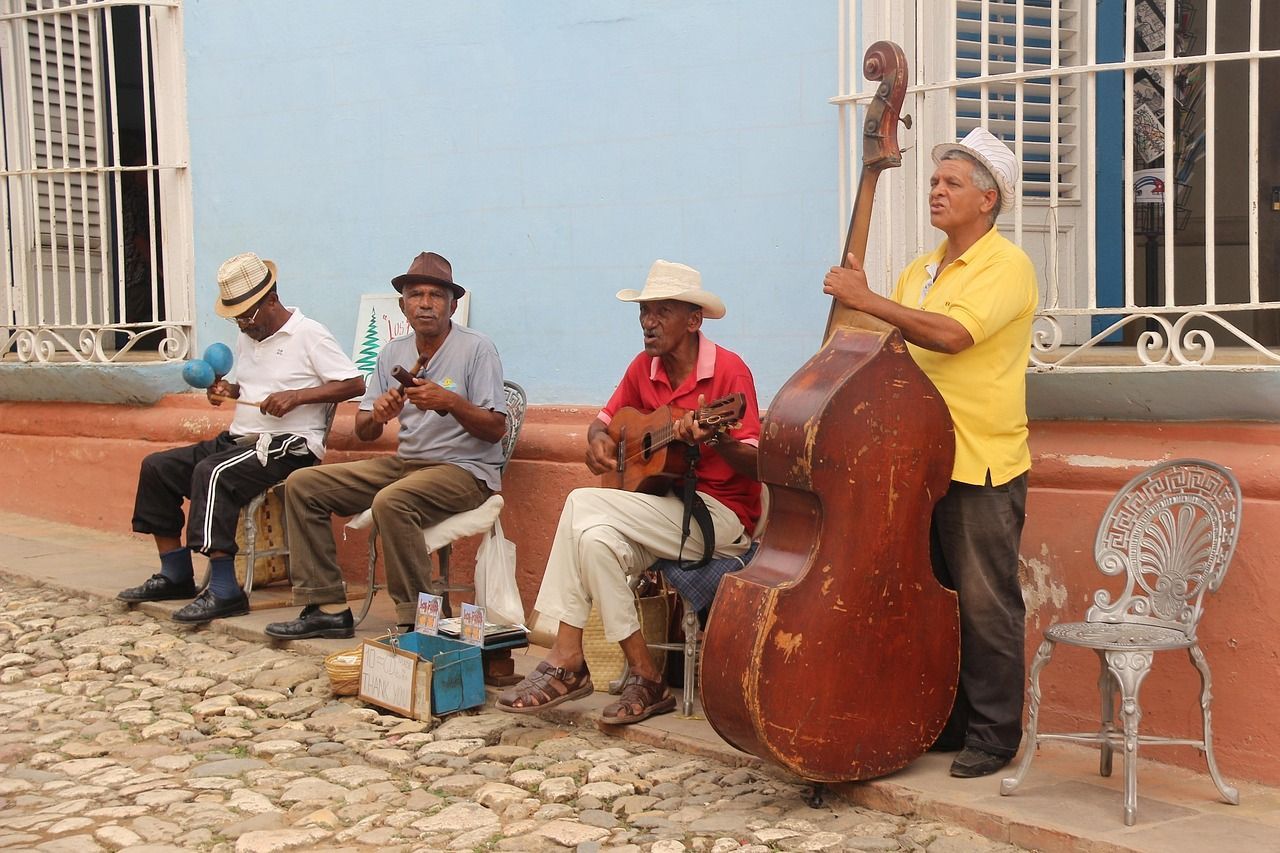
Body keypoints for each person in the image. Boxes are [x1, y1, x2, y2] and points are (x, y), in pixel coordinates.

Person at [822, 127, 1038, 778]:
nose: (936, 192)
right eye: (934, 182)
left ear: (988, 199)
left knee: (984, 601)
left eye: (951, 184)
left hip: (981, 460)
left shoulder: (1008, 266)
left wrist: (872, 299)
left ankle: (995, 734)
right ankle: (945, 720)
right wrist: (853, 308)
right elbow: (886, 338)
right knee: (932, 598)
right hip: (916, 460)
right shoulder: (921, 269)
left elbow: (951, 335)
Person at [497, 260, 762, 725]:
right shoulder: (645, 367)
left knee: (581, 502)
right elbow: (603, 423)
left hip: (718, 518)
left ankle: (565, 654)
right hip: (661, 509)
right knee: (595, 541)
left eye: (661, 311)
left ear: (694, 320)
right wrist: (598, 443)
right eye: (644, 311)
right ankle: (646, 676)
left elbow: (756, 460)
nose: (648, 322)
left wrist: (716, 438)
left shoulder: (729, 372)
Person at [264, 252, 507, 641]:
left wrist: (451, 403)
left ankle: (421, 621)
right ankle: (326, 608)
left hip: (465, 471)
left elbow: (496, 428)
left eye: (435, 296)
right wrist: (378, 413)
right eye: (416, 295)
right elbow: (363, 431)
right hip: (407, 465)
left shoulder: (477, 348)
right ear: (403, 305)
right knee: (302, 484)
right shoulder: (393, 352)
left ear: (453, 305)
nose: (425, 304)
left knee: (392, 501)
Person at [119, 252, 366, 623]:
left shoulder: (309, 334)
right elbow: (253, 386)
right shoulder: (249, 335)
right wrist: (230, 391)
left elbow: (355, 383)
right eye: (236, 317)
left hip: (289, 445)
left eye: (248, 315)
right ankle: (175, 573)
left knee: (212, 472)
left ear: (271, 299)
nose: (242, 324)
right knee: (158, 467)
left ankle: (225, 591)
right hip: (241, 440)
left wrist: (297, 397)